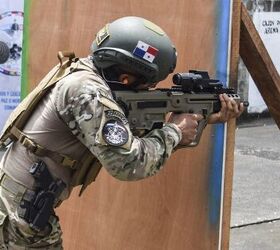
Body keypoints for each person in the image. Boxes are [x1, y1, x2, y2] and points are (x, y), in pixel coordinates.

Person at [0, 16, 244, 249]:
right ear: (125, 77)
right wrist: (175, 132)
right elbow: (128, 163)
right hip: (20, 214)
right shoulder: (88, 92)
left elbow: (119, 124)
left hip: (15, 199)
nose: (151, 90)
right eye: (149, 85)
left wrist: (201, 116)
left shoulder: (82, 71)